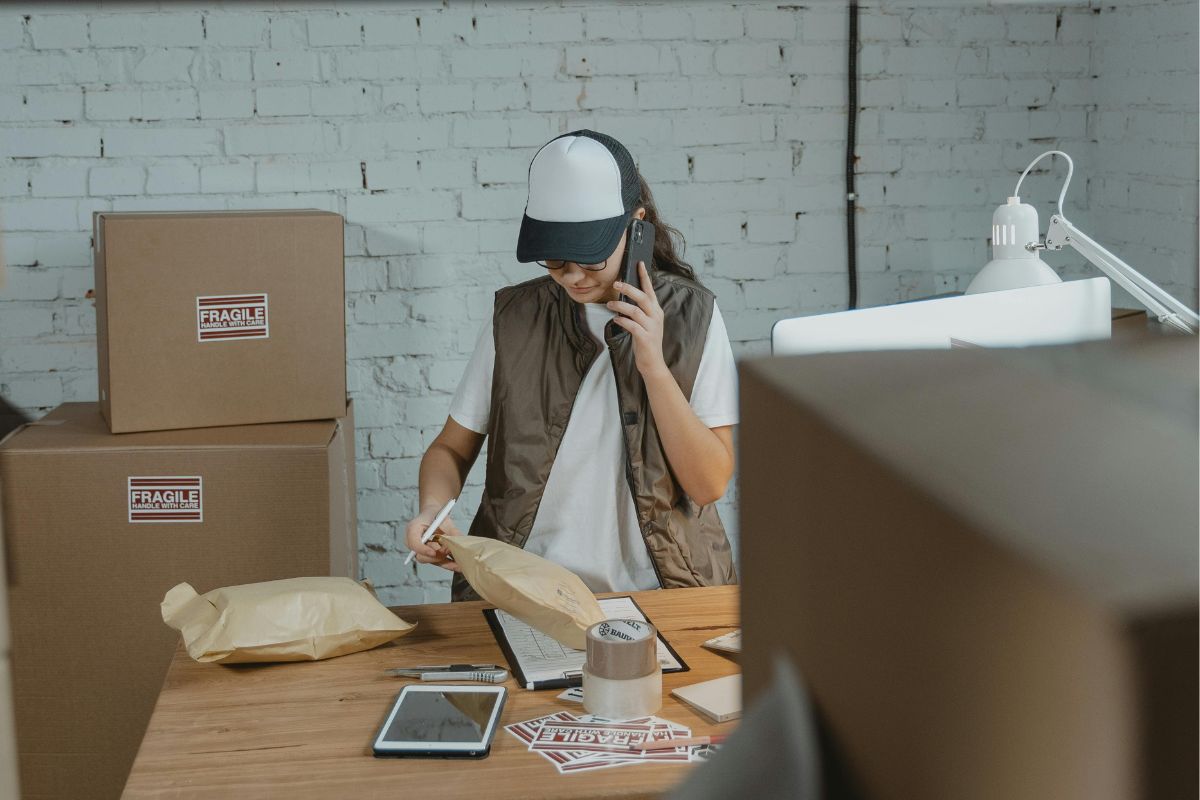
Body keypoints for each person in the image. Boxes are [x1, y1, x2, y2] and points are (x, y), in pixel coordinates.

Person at [405, 129, 739, 600]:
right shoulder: (516, 319)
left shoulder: (691, 317)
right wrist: (431, 509)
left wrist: (654, 368)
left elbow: (707, 486)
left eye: (590, 256)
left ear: (635, 225)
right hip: (524, 590)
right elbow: (450, 450)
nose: (574, 277)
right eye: (556, 260)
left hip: (661, 591)